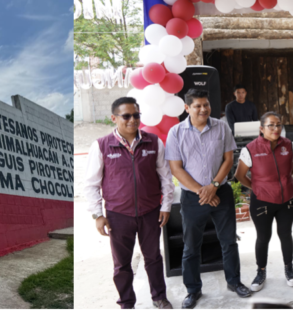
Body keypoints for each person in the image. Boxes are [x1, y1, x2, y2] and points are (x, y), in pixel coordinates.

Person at [83, 97, 175, 309]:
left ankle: (159, 297)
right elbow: (91, 184)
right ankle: (126, 302)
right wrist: (98, 215)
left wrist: (166, 206)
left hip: (150, 212)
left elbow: (165, 177)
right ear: (114, 118)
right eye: (126, 116)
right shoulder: (101, 146)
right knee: (121, 264)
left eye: (136, 115)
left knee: (153, 257)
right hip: (118, 215)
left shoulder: (153, 142)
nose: (132, 120)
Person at [166, 89, 250, 308]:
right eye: (197, 106)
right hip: (192, 197)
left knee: (229, 241)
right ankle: (193, 290)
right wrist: (202, 192)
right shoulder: (175, 133)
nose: (203, 109)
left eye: (206, 104)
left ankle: (234, 282)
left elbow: (228, 159)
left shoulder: (222, 127)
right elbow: (176, 168)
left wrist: (213, 187)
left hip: (220, 192)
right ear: (187, 108)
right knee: (191, 245)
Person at [234, 111, 293, 291]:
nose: (275, 128)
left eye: (278, 124)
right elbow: (239, 175)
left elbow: (292, 169)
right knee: (263, 237)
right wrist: (257, 186)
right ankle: (261, 271)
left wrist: (282, 183)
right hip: (261, 201)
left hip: (286, 199)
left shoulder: (289, 145)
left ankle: (289, 269)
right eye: (270, 125)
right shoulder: (250, 149)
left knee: (286, 234)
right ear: (261, 128)